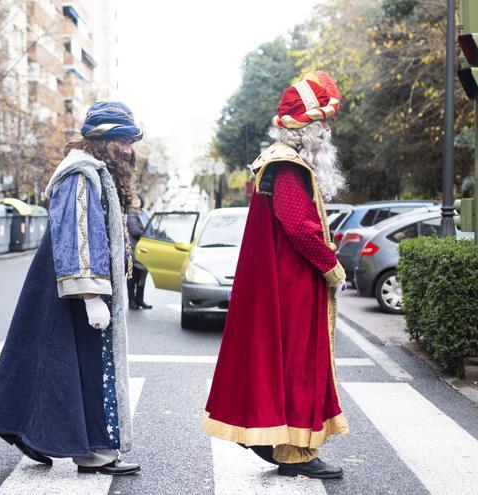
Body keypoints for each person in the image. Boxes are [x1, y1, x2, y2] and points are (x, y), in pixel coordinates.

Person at [0, 102, 142, 476]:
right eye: (121, 140)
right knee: (87, 370)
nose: (128, 149)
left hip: (70, 288)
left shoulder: (94, 172)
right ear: (99, 140)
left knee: (49, 363)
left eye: (130, 141)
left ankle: (34, 433)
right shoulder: (80, 175)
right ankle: (96, 451)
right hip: (77, 291)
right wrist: (91, 296)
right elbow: (76, 236)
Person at [202, 72, 349, 479]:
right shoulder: (288, 165)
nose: (326, 134)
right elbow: (299, 226)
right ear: (305, 128)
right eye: (322, 126)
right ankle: (295, 452)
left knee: (291, 364)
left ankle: (289, 446)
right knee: (298, 364)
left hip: (287, 282)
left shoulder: (285, 162)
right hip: (294, 285)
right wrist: (331, 265)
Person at [127, 194, 151, 310]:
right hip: (134, 250)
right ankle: (132, 301)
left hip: (145, 250)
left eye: (137, 199)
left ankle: (140, 300)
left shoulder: (144, 214)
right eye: (133, 199)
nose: (136, 201)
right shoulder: (131, 214)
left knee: (142, 275)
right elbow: (135, 231)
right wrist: (149, 234)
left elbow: (151, 227)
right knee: (133, 276)